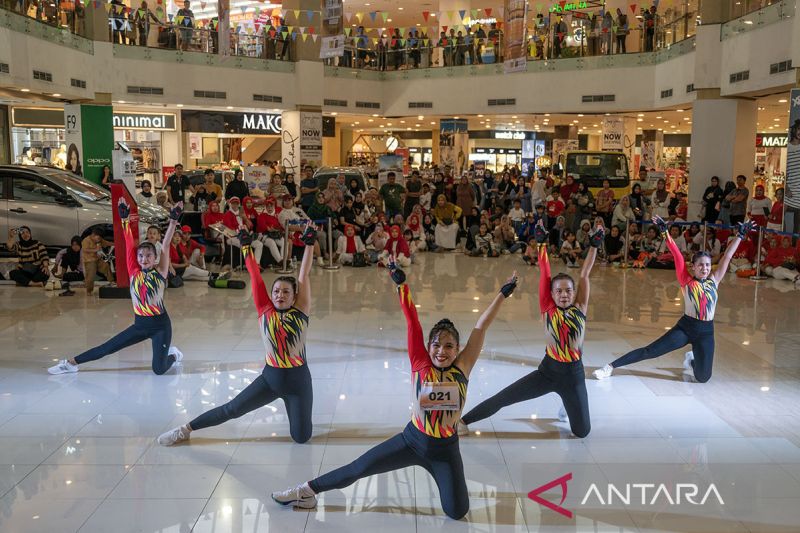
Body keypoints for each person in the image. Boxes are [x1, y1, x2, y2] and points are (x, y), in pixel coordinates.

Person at [271, 260, 518, 517]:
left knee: (457, 511)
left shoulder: (463, 366)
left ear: (458, 350)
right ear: (428, 346)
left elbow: (481, 326)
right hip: (412, 441)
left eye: (448, 346)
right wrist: (402, 285)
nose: (441, 351)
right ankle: (306, 491)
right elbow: (412, 321)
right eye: (436, 344)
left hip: (445, 451)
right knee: (359, 468)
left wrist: (503, 294)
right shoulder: (420, 362)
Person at [158, 224, 318, 446]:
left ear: (294, 297)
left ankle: (293, 407)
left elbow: (304, 273)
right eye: (276, 291)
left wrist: (309, 244)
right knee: (232, 409)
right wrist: (245, 246)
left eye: (286, 292)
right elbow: (255, 275)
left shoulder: (301, 310)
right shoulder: (265, 309)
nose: (280, 295)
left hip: (299, 381)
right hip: (270, 380)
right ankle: (185, 429)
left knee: (302, 438)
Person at [461, 221, 603, 438]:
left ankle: (568, 402)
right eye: (559, 291)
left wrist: (594, 246)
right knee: (505, 397)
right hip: (548, 372)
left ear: (574, 294)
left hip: (574, 376)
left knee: (582, 432)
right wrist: (542, 244)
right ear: (552, 294)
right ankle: (464, 421)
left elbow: (584, 275)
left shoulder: (580, 308)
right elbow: (545, 274)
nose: (564, 294)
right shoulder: (547, 308)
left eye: (568, 291)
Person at [594, 217, 754, 383]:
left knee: (703, 378)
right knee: (650, 351)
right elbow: (677, 255)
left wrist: (740, 236)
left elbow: (727, 256)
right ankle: (610, 367)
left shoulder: (714, 280)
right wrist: (665, 233)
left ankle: (692, 360)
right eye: (700, 265)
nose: (705, 268)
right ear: (693, 266)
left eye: (707, 265)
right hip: (686, 328)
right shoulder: (687, 281)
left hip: (706, 332)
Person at [48, 201, 184, 375]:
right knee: (107, 348)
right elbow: (128, 244)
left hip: (161, 326)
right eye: (141, 256)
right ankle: (70, 363)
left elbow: (164, 245)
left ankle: (173, 355)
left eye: (149, 255)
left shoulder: (161, 273)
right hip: (140, 325)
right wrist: (124, 220)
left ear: (155, 258)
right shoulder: (134, 272)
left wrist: (173, 221)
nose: (144, 259)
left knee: (158, 369)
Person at [81, 228, 114, 295]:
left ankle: (111, 281)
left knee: (106, 266)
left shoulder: (99, 239)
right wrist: (96, 250)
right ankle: (89, 291)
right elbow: (85, 250)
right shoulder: (86, 240)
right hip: (89, 261)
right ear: (93, 235)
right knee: (91, 276)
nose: (99, 240)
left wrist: (115, 244)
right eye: (98, 238)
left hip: (97, 259)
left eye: (100, 238)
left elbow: (106, 243)